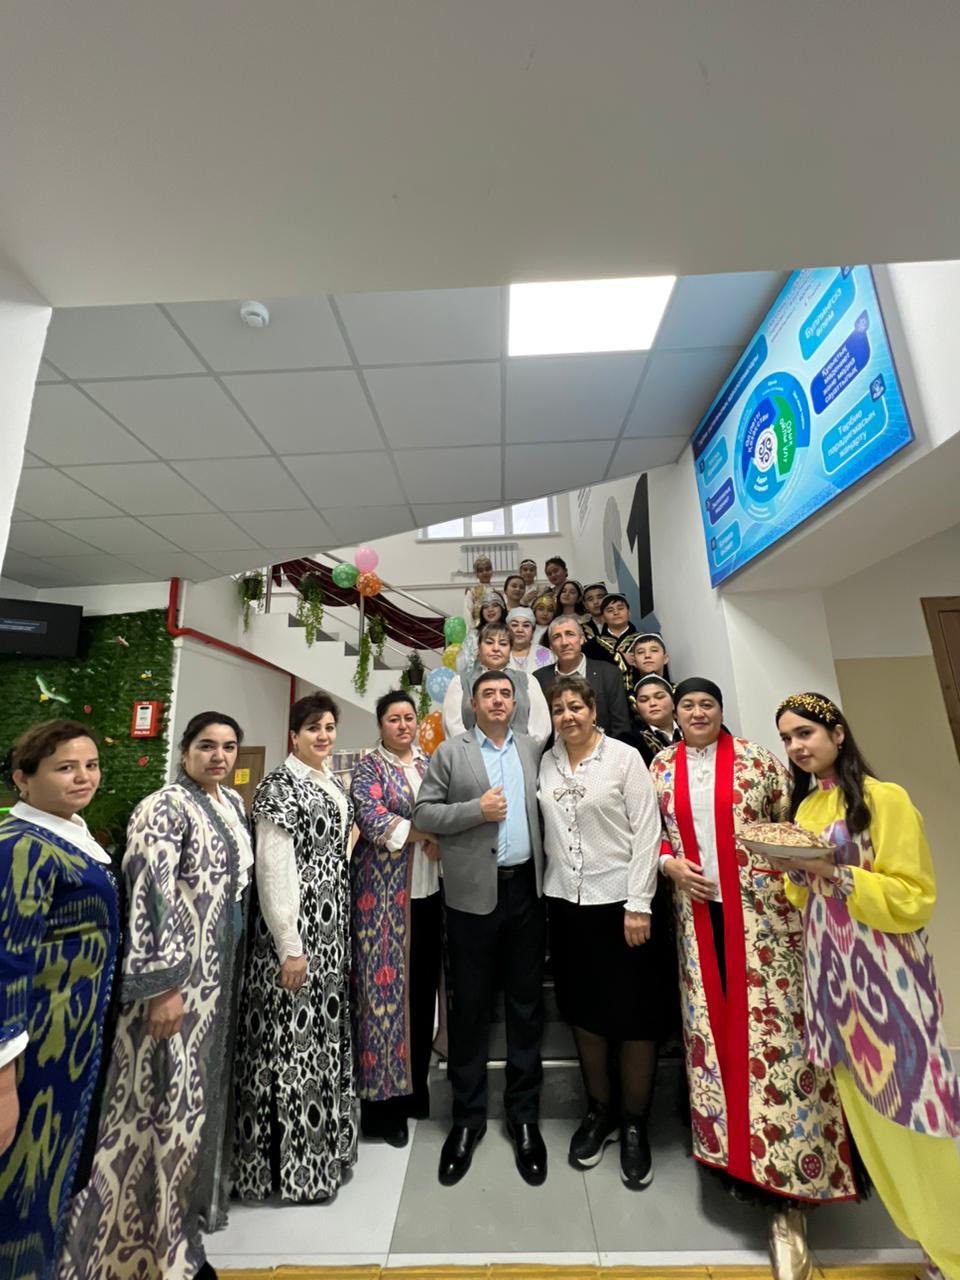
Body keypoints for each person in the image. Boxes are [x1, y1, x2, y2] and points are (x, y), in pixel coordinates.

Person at [648, 679, 856, 1278]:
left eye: (707, 704)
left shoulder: (760, 761)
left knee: (774, 1039)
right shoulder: (660, 767)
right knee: (712, 1036)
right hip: (696, 921)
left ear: (721, 710)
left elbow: (792, 828)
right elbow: (649, 832)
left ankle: (789, 1180)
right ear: (673, 714)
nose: (697, 712)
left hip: (765, 921)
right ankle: (730, 1153)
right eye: (687, 706)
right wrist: (668, 863)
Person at [774, 692, 960, 1280]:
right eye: (787, 738)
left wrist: (835, 872)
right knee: (869, 1122)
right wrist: (796, 870)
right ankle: (930, 1249)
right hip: (831, 974)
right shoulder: (806, 809)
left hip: (888, 973)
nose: (796, 746)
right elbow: (802, 897)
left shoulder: (885, 800)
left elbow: (915, 895)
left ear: (838, 733)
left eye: (805, 733)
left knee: (918, 1113)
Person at [61, 713, 252, 1280]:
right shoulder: (163, 807)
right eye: (207, 746)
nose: (219, 756)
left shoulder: (229, 803)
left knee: (192, 1108)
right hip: (175, 987)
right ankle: (144, 1248)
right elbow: (150, 894)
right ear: (185, 750)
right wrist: (162, 985)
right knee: (160, 1108)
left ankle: (181, 1232)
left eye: (229, 747)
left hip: (215, 978)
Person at [414, 670, 547, 1188]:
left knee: (525, 1008)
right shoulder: (452, 752)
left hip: (526, 895)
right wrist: (477, 810)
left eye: (505, 694)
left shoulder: (533, 749)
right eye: (488, 694)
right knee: (469, 1009)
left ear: (515, 703)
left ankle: (524, 1118)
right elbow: (424, 813)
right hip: (470, 899)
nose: (497, 700)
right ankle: (467, 1120)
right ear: (473, 703)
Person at [0, 722, 118, 1280]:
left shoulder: (67, 833)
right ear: (23, 779)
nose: (83, 777)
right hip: (34, 1051)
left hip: (69, 1042)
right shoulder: (20, 846)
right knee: (23, 1181)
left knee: (55, 1173)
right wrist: (4, 1082)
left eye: (90, 765)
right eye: (65, 768)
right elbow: (7, 961)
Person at [539, 677, 663, 1188]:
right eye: (559, 708)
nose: (568, 715)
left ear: (593, 710)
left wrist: (639, 903)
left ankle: (634, 1124)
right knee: (584, 1013)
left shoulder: (624, 758)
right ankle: (600, 1112)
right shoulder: (547, 762)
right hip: (568, 906)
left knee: (634, 1019)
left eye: (576, 706)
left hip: (623, 907)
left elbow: (648, 831)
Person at [233, 693, 357, 1203]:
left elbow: (333, 846)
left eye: (328, 727)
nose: (323, 736)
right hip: (298, 935)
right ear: (294, 735)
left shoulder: (327, 780)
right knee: (291, 1047)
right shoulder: (279, 787)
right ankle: (293, 1172)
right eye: (313, 728)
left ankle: (326, 1154)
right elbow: (273, 870)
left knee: (322, 1041)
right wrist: (290, 945)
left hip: (330, 933)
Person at [350, 691, 442, 1147]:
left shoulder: (428, 763)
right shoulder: (369, 767)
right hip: (382, 901)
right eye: (393, 719)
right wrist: (423, 833)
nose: (403, 725)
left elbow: (445, 809)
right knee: (382, 999)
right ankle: (383, 1109)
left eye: (409, 718)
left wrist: (440, 834)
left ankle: (414, 1091)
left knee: (421, 996)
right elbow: (372, 818)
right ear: (381, 725)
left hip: (428, 894)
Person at [442, 622, 551, 745]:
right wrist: (478, 751)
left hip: (520, 754)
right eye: (489, 642)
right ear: (479, 648)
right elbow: (452, 726)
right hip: (469, 754)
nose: (496, 648)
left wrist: (519, 751)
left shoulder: (528, 681)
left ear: (510, 649)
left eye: (503, 644)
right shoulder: (460, 683)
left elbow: (541, 727)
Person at [533, 617, 632, 742]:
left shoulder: (609, 673)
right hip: (556, 750)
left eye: (570, 634)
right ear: (551, 646)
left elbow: (621, 724)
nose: (564, 642)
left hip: (602, 749)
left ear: (582, 639)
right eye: (557, 637)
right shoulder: (539, 678)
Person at [597, 593, 642, 698]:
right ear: (602, 618)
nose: (616, 612)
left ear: (629, 613)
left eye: (620, 608)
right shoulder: (592, 645)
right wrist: (619, 658)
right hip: (605, 698)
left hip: (640, 696)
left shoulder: (643, 640)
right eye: (610, 610)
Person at [631, 673, 680, 765]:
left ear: (673, 702)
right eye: (644, 700)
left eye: (659, 697)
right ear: (637, 708)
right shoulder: (630, 741)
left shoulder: (691, 730)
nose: (652, 703)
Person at [456, 589, 507, 675]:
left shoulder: (510, 633)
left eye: (495, 605)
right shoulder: (474, 635)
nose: (490, 609)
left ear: (502, 608)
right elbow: (461, 665)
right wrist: (475, 656)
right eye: (485, 606)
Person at [505, 606, 551, 673]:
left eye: (526, 625)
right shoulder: (498, 652)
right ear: (507, 629)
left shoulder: (547, 654)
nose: (520, 630)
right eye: (514, 625)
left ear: (533, 631)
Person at [463, 555, 494, 628]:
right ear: (476, 574)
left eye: (487, 569)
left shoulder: (496, 592)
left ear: (492, 571)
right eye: (480, 571)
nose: (485, 572)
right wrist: (472, 630)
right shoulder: (472, 591)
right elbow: (467, 613)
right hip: (477, 628)